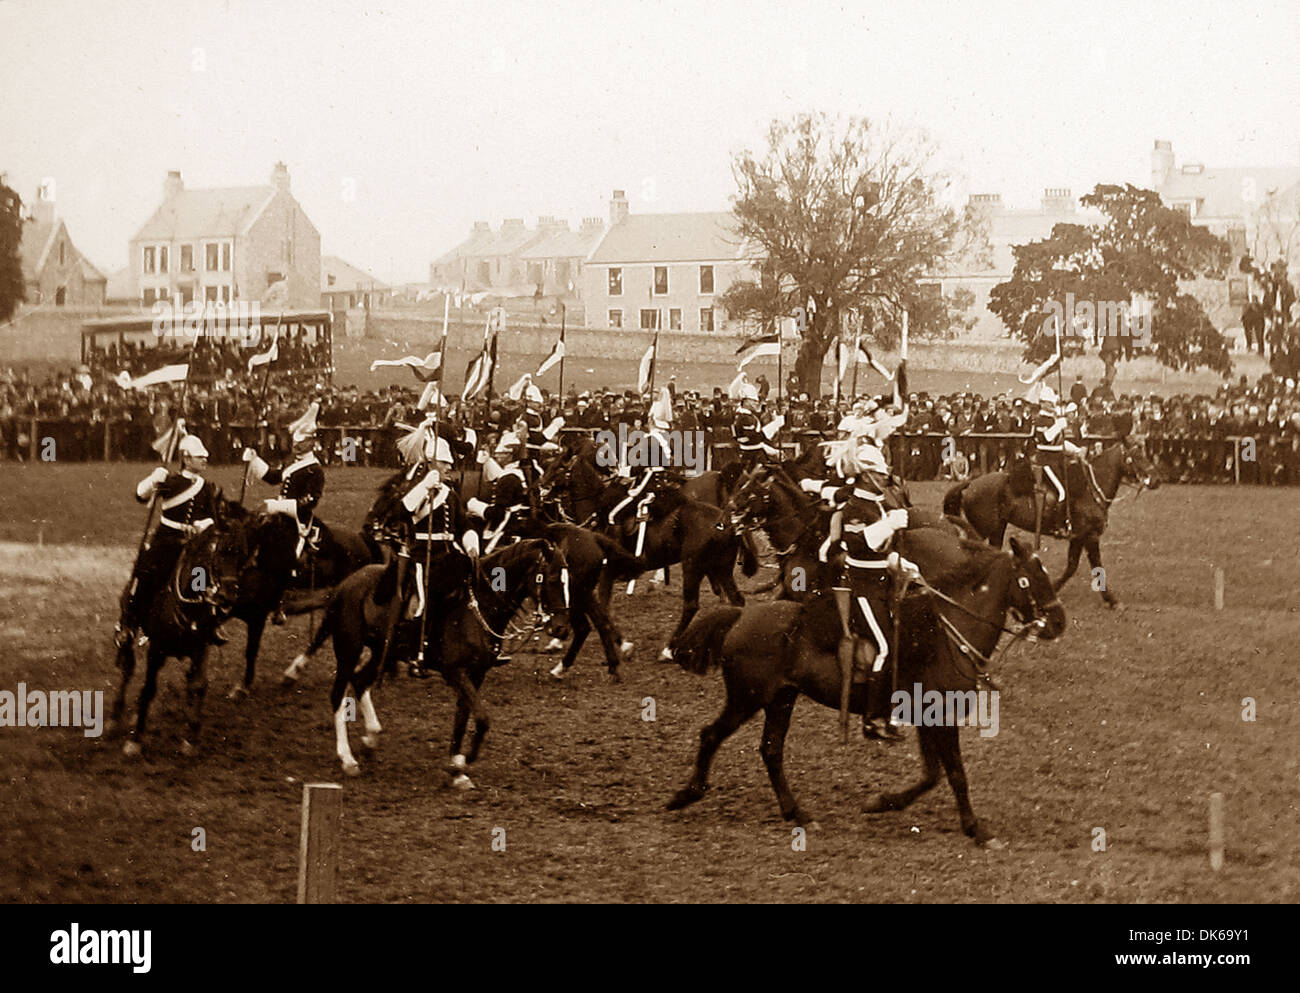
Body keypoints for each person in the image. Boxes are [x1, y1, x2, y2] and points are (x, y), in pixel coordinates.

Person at [801, 436, 919, 741]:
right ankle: (873, 718)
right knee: (885, 648)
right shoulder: (855, 506)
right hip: (860, 589)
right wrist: (889, 525)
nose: (885, 478)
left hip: (881, 582)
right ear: (866, 474)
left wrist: (897, 562)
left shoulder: (876, 504)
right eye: (880, 474)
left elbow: (877, 550)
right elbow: (855, 543)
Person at [116, 433, 225, 647]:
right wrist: (152, 479)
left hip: (195, 545)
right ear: (185, 458)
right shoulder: (171, 482)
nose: (204, 460)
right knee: (146, 576)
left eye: (204, 457)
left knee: (203, 581)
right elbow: (141, 496)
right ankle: (129, 624)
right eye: (199, 457)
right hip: (167, 541)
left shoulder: (207, 487)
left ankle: (207, 624)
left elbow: (213, 518)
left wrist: (204, 525)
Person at [396, 429, 482, 678]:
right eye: (444, 463)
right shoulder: (419, 488)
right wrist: (425, 486)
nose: (448, 468)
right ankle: (414, 654)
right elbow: (403, 511)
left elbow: (463, 524)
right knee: (423, 603)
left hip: (446, 555)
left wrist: (471, 544)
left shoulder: (450, 493)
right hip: (422, 556)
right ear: (432, 462)